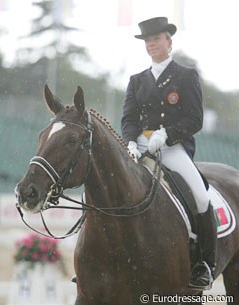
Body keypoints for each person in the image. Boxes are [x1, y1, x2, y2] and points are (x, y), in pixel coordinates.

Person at [121, 17, 217, 290]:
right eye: (148, 41)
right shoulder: (137, 80)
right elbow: (128, 118)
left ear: (168, 41)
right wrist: (129, 141)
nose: (151, 44)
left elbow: (194, 119)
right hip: (139, 146)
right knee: (110, 184)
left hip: (172, 147)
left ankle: (205, 265)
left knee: (200, 196)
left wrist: (167, 134)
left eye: (156, 39)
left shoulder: (185, 76)